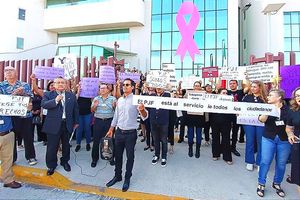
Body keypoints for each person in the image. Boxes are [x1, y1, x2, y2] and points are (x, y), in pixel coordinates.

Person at [105, 78, 148, 192]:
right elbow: (116, 116)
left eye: (127, 85)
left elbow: (145, 116)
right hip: (119, 132)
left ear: (132, 87)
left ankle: (127, 178)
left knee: (130, 157)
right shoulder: (119, 100)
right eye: (123, 85)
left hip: (130, 134)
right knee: (117, 156)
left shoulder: (136, 100)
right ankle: (117, 176)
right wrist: (111, 129)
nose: (125, 86)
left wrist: (142, 110)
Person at [41, 77, 79, 176]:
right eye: (58, 82)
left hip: (67, 124)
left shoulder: (71, 95)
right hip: (53, 125)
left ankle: (65, 162)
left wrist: (76, 122)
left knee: (66, 145)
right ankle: (51, 165)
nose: (61, 84)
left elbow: (75, 109)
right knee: (52, 147)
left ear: (66, 84)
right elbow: (44, 104)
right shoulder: (48, 94)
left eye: (63, 82)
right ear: (54, 84)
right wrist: (56, 101)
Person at [256, 89, 291, 198]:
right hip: (268, 138)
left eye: (271, 95)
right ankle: (261, 184)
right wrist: (267, 111)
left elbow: (291, 123)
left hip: (284, 140)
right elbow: (261, 120)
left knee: (281, 163)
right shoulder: (267, 107)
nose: (268, 97)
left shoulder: (288, 109)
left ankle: (277, 183)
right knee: (265, 161)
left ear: (279, 97)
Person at [0, 66, 36, 165]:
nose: (8, 72)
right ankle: (12, 159)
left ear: (16, 73)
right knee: (11, 139)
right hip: (9, 117)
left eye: (11, 70)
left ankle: (31, 157)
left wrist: (23, 93)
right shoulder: (1, 85)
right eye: (6, 70)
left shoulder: (24, 85)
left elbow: (30, 98)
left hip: (25, 115)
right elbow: (2, 100)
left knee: (28, 137)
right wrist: (15, 93)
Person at [242, 80, 267, 171]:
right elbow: (241, 109)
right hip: (248, 123)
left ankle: (260, 162)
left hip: (261, 123)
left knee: (261, 142)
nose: (252, 88)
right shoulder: (247, 97)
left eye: (255, 87)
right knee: (250, 141)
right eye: (251, 86)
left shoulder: (265, 98)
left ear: (260, 88)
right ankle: (249, 161)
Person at [0, 86, 22, 189]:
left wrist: (17, 95)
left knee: (8, 159)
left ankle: (8, 180)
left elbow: (24, 108)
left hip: (8, 133)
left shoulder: (5, 95)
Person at [90, 84, 116, 167]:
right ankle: (94, 159)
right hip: (98, 121)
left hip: (109, 122)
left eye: (105, 88)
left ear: (108, 90)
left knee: (109, 140)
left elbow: (116, 111)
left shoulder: (113, 99)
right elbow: (92, 110)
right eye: (101, 88)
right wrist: (94, 105)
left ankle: (110, 157)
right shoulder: (96, 98)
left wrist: (114, 106)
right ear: (99, 90)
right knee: (96, 141)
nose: (103, 90)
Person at [210, 88, 233, 165]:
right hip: (215, 122)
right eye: (223, 93)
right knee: (215, 138)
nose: (225, 94)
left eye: (226, 93)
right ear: (219, 94)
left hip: (226, 122)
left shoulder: (230, 101)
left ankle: (227, 157)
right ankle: (215, 154)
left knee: (226, 139)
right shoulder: (213, 101)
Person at [149, 87, 170, 167]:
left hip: (163, 121)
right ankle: (156, 155)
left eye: (160, 87)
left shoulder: (167, 95)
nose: (158, 88)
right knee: (155, 139)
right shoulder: (152, 95)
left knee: (164, 140)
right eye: (157, 87)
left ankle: (164, 156)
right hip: (153, 120)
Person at [227, 80, 248, 156]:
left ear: (237, 84)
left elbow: (247, 87)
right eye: (231, 83)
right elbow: (218, 88)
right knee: (226, 132)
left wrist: (246, 78)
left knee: (235, 132)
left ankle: (233, 148)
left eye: (234, 83)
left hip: (237, 115)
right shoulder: (226, 92)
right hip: (228, 115)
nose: (232, 85)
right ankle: (226, 148)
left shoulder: (240, 92)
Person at [185, 81, 205, 158]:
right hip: (190, 116)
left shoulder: (204, 94)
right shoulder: (188, 93)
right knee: (190, 133)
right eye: (195, 85)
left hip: (200, 116)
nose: (196, 87)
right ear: (193, 87)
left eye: (198, 86)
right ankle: (190, 148)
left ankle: (198, 149)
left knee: (199, 133)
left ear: (200, 87)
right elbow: (183, 101)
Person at [286, 87, 300, 194]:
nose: (299, 97)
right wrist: (290, 134)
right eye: (297, 96)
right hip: (297, 145)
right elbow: (289, 127)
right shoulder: (292, 111)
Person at [75, 84, 92, 152]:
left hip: (87, 113)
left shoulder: (89, 92)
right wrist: (78, 91)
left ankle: (88, 143)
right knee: (79, 129)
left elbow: (93, 99)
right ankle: (78, 144)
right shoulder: (77, 92)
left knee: (87, 129)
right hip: (79, 114)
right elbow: (75, 99)